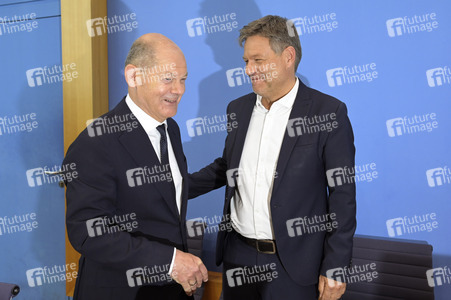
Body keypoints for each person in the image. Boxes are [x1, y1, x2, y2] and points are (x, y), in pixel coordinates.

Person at [189, 15, 356, 300]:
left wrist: (336, 265)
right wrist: (176, 187)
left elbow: (342, 193)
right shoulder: (238, 109)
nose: (248, 70)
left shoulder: (328, 112)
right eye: (246, 61)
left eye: (257, 60)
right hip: (237, 255)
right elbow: (229, 166)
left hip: (293, 264)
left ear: (288, 56)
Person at [63, 33, 208, 300]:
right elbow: (87, 231)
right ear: (134, 77)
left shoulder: (170, 129)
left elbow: (167, 192)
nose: (179, 89)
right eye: (168, 78)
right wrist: (171, 261)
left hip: (171, 289)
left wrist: (229, 167)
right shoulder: (95, 142)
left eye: (183, 79)